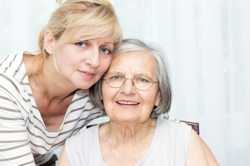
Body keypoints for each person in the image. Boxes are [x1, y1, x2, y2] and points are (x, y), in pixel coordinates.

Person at [59, 39, 219, 166]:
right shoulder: (77, 148)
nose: (128, 90)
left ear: (159, 95)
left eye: (142, 80)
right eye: (116, 77)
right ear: (100, 90)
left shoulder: (182, 140)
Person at [0, 0, 122, 165]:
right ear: (50, 42)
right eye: (81, 43)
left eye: (104, 49)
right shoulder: (7, 86)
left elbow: (146, 112)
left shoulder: (94, 88)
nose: (95, 61)